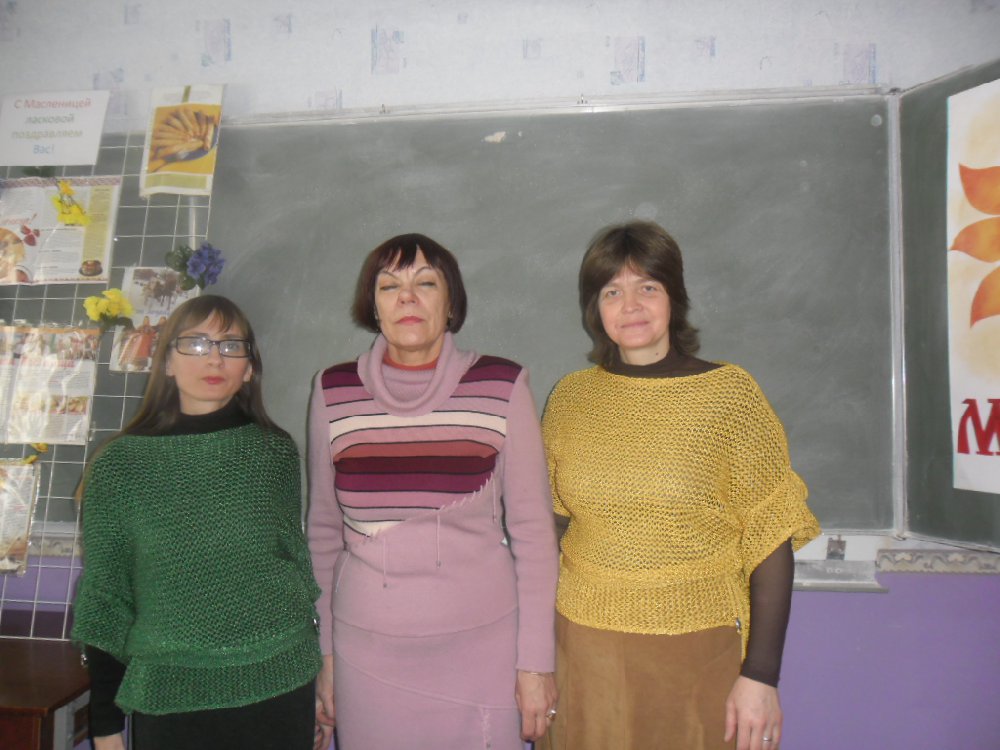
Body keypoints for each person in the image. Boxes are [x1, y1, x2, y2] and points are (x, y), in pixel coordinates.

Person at [538, 220, 820, 750]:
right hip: (582, 648)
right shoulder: (570, 399)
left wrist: (761, 676)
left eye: (647, 287)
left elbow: (771, 539)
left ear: (674, 297)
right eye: (612, 292)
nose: (630, 305)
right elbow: (547, 530)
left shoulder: (730, 396)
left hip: (698, 651)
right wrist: (533, 660)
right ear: (595, 308)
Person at [308, 233, 559, 750]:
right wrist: (326, 656)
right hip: (367, 660)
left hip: (484, 655)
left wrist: (536, 663)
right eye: (389, 286)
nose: (407, 297)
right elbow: (324, 533)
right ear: (373, 305)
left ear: (450, 303)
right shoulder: (333, 391)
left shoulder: (503, 385)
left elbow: (534, 533)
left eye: (425, 283)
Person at [72, 295, 323, 750]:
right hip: (170, 692)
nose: (214, 358)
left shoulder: (274, 452)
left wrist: (315, 676)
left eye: (231, 345)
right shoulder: (119, 467)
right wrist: (105, 725)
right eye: (196, 343)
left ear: (249, 368)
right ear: (167, 362)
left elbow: (295, 569)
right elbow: (106, 598)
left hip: (281, 679)